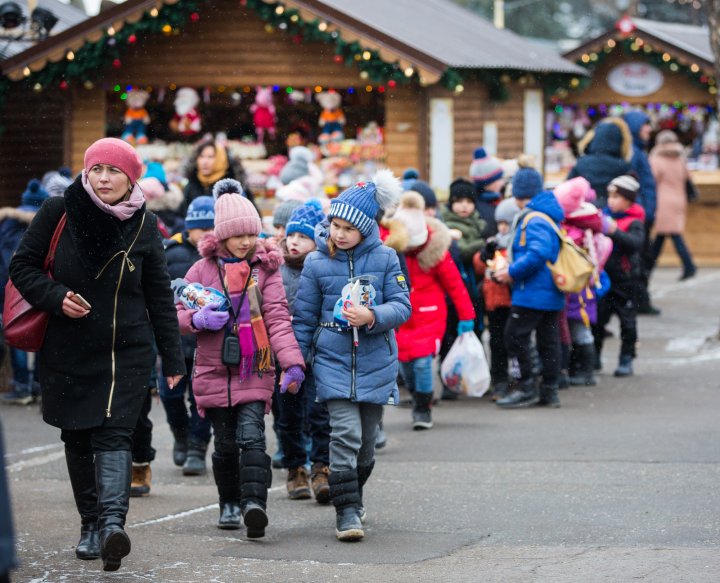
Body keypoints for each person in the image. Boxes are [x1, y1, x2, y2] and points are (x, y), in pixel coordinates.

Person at [9, 137, 186, 572]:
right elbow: (22, 266)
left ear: (131, 179)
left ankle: (111, 526)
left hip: (126, 351)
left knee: (115, 434)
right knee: (78, 436)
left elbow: (159, 294)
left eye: (114, 171)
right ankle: (90, 523)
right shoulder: (59, 210)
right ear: (86, 174)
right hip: (68, 348)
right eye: (96, 170)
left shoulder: (144, 224)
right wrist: (55, 296)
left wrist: (174, 358)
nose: (104, 179)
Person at [176, 178, 305, 539]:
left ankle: (254, 505)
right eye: (238, 235)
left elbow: (278, 318)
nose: (247, 241)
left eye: (251, 233)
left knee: (253, 437)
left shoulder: (266, 270)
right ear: (220, 237)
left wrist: (292, 363)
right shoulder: (200, 270)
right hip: (213, 371)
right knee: (225, 444)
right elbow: (175, 314)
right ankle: (229, 503)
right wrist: (196, 319)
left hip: (255, 367)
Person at [292, 170, 411, 541]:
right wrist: (297, 361)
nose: (339, 233)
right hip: (332, 360)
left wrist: (374, 316)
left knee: (366, 442)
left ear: (366, 228)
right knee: (343, 435)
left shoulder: (387, 258)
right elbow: (304, 317)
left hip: (377, 360)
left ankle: (352, 495)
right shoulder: (315, 263)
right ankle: (346, 513)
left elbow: (402, 305)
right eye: (335, 225)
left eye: (348, 227)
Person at [392, 191, 475, 430]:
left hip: (430, 314)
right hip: (401, 316)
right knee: (404, 363)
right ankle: (417, 395)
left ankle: (423, 407)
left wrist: (467, 316)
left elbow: (456, 286)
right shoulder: (392, 248)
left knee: (421, 362)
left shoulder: (437, 252)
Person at [494, 167, 565, 409]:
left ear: (519, 194)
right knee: (548, 340)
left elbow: (538, 253)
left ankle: (526, 388)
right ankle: (549, 390)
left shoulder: (534, 218)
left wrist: (511, 271)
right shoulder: (547, 214)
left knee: (515, 335)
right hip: (549, 291)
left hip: (533, 291)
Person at [277, 200, 332, 502]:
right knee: (288, 417)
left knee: (319, 414)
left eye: (303, 237)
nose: (295, 242)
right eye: (291, 236)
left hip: (318, 355)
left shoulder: (323, 270)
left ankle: (322, 467)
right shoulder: (275, 270)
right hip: (284, 358)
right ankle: (295, 467)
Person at [160, 196, 216, 477]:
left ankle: (197, 447)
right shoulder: (170, 252)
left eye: (210, 228)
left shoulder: (218, 256)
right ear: (189, 227)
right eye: (200, 229)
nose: (205, 235)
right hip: (173, 340)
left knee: (201, 399)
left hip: (206, 342)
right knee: (169, 395)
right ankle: (180, 434)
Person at [0, 179, 49, 405]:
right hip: (44, 286)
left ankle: (21, 387)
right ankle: (40, 384)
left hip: (12, 286)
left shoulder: (8, 224)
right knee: (43, 332)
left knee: (18, 329)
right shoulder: (51, 222)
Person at [594, 175, 645, 377]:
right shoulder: (602, 218)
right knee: (597, 320)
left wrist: (614, 231)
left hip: (625, 280)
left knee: (627, 322)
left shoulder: (634, 221)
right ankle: (594, 357)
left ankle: (626, 358)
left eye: (617, 197)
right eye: (610, 196)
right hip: (604, 278)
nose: (611, 201)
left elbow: (635, 244)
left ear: (628, 200)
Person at [474, 197, 521, 400]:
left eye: (506, 224)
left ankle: (516, 379)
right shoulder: (492, 242)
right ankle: (499, 380)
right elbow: (480, 266)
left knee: (514, 341)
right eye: (500, 223)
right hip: (494, 302)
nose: (502, 228)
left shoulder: (517, 244)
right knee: (497, 342)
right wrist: (484, 256)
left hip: (512, 300)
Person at [623, 111, 660, 315]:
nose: (649, 129)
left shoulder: (638, 151)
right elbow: (634, 186)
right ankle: (639, 302)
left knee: (643, 259)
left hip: (644, 214)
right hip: (640, 216)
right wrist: (644, 210)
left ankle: (639, 300)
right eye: (645, 125)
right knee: (639, 260)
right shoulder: (632, 153)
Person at [649, 130, 697, 281]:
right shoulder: (680, 158)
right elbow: (688, 177)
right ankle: (649, 266)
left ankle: (688, 265)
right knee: (665, 235)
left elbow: (651, 180)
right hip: (679, 199)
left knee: (671, 234)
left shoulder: (656, 159)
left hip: (663, 201)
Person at [567, 117, 633, 210]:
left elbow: (567, 189)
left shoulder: (582, 163)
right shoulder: (623, 166)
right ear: (620, 140)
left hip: (585, 212)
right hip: (614, 213)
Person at [182, 139, 251, 215]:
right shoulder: (192, 185)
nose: (205, 162)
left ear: (221, 159)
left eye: (210, 157)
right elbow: (182, 215)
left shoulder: (232, 187)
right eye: (201, 156)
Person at [469, 147, 505, 236]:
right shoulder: (477, 205)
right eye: (498, 179)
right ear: (488, 183)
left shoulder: (499, 197)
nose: (502, 182)